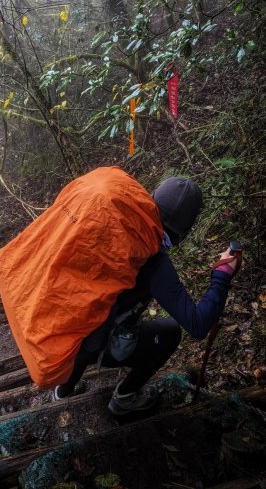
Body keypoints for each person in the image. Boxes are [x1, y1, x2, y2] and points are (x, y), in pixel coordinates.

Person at [52, 176, 239, 415]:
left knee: (87, 337)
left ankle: (62, 394)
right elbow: (197, 324)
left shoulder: (111, 224)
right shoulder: (154, 263)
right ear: (184, 231)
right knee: (171, 333)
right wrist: (223, 274)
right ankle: (124, 398)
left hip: (69, 328)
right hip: (98, 344)